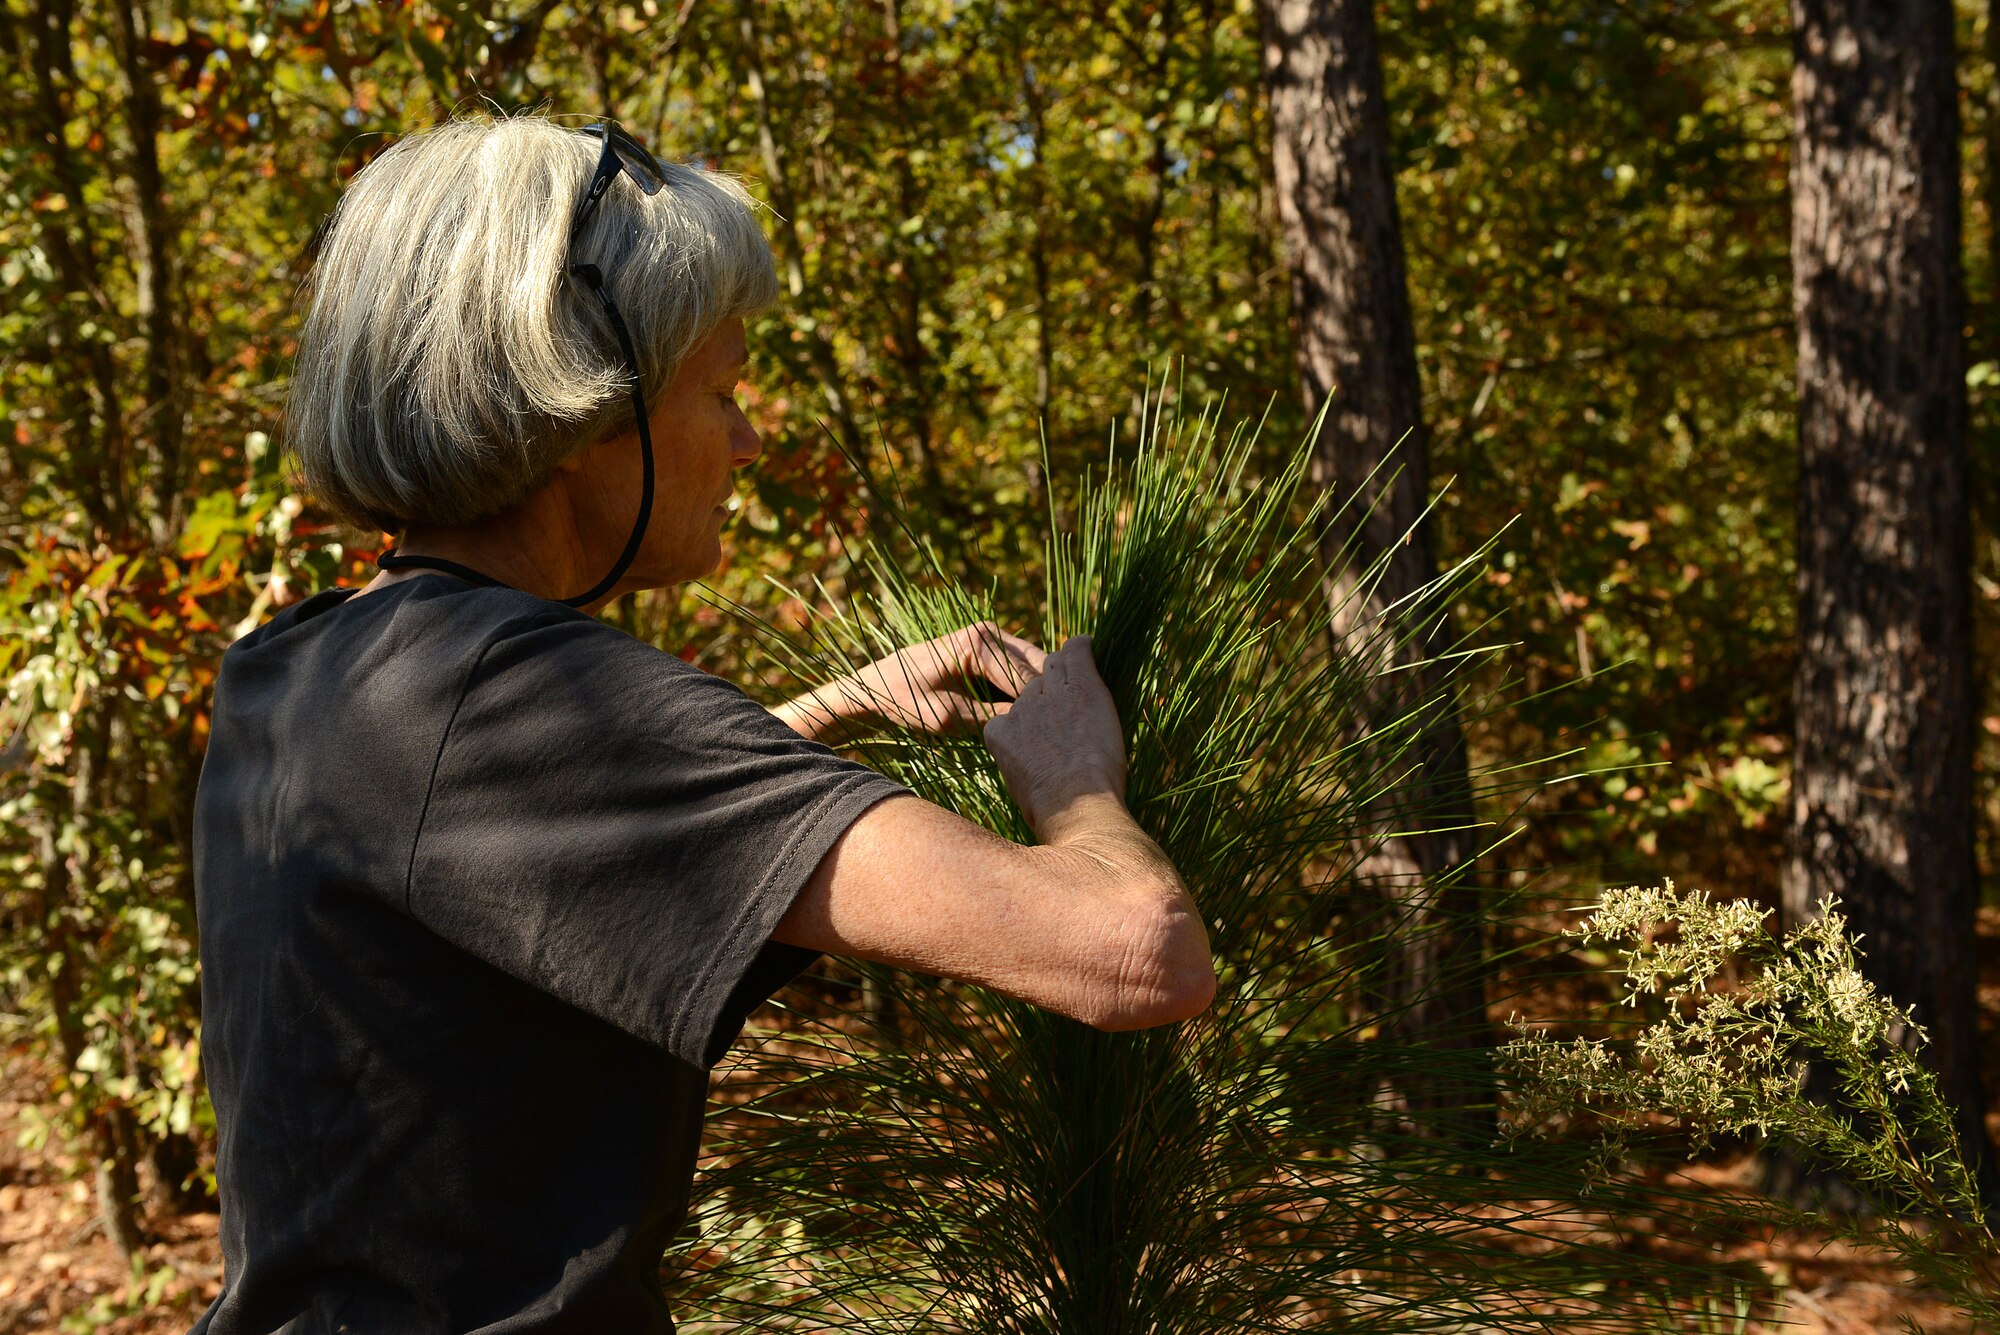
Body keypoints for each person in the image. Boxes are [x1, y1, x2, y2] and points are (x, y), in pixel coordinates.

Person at [189, 111, 1213, 1334]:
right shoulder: (515, 694)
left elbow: (503, 835)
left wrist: (821, 719)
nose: (747, 438)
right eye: (720, 390)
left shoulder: (304, 668)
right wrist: (1076, 778)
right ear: (578, 411)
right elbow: (1132, 953)